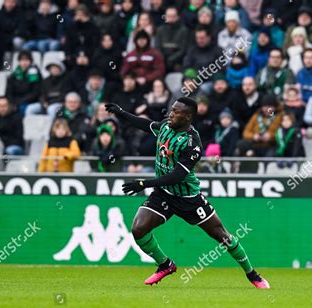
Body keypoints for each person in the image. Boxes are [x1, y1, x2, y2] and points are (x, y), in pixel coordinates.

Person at [104, 98, 270, 288]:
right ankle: (165, 265)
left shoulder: (192, 143)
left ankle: (252, 274)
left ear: (188, 116)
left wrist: (144, 183)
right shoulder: (166, 126)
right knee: (138, 229)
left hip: (188, 198)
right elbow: (146, 124)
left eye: (176, 111)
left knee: (222, 236)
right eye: (171, 110)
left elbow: (177, 176)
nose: (170, 114)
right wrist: (121, 113)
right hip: (164, 193)